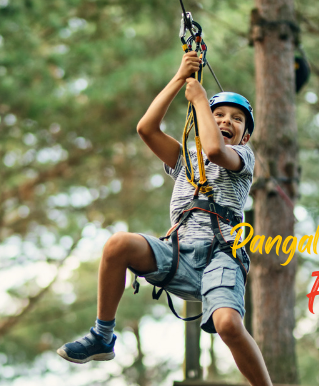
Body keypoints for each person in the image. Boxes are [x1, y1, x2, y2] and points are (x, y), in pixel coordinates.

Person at [56, 51, 273, 386]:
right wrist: (179, 77)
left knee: (229, 324)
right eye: (218, 115)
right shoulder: (186, 158)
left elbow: (215, 150)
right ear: (201, 121)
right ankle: (102, 335)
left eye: (235, 119)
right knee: (118, 245)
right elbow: (146, 128)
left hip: (222, 256)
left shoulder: (242, 157)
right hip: (179, 253)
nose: (226, 121)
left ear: (245, 136)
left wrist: (201, 99)